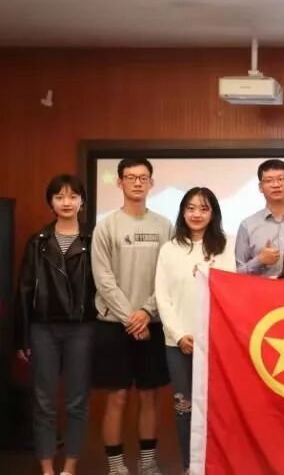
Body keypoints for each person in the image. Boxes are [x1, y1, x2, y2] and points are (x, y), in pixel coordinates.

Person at [92, 158, 172, 475]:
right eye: (130, 177)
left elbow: (168, 277)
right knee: (118, 397)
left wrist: (146, 312)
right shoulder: (106, 226)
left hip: (153, 324)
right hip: (115, 326)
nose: (137, 183)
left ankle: (147, 463)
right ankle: (116, 466)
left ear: (151, 183)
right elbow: (103, 280)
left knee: (150, 396)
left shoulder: (165, 226)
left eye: (143, 177)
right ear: (119, 182)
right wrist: (131, 317)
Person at [15, 175, 96, 475]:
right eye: (59, 197)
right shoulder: (37, 241)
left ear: (82, 201)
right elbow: (24, 291)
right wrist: (22, 338)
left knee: (77, 401)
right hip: (43, 329)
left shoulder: (93, 239)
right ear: (50, 202)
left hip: (82, 329)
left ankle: (69, 469)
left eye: (73, 196)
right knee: (44, 403)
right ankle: (47, 469)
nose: (66, 202)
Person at [154, 187, 235, 475]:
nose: (196, 214)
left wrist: (207, 336)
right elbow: (162, 297)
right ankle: (190, 466)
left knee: (216, 408)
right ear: (182, 212)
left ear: (213, 213)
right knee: (184, 408)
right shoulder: (169, 248)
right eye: (190, 208)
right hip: (177, 343)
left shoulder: (225, 246)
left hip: (215, 342)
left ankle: (215, 465)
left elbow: (230, 292)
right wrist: (179, 335)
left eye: (203, 208)